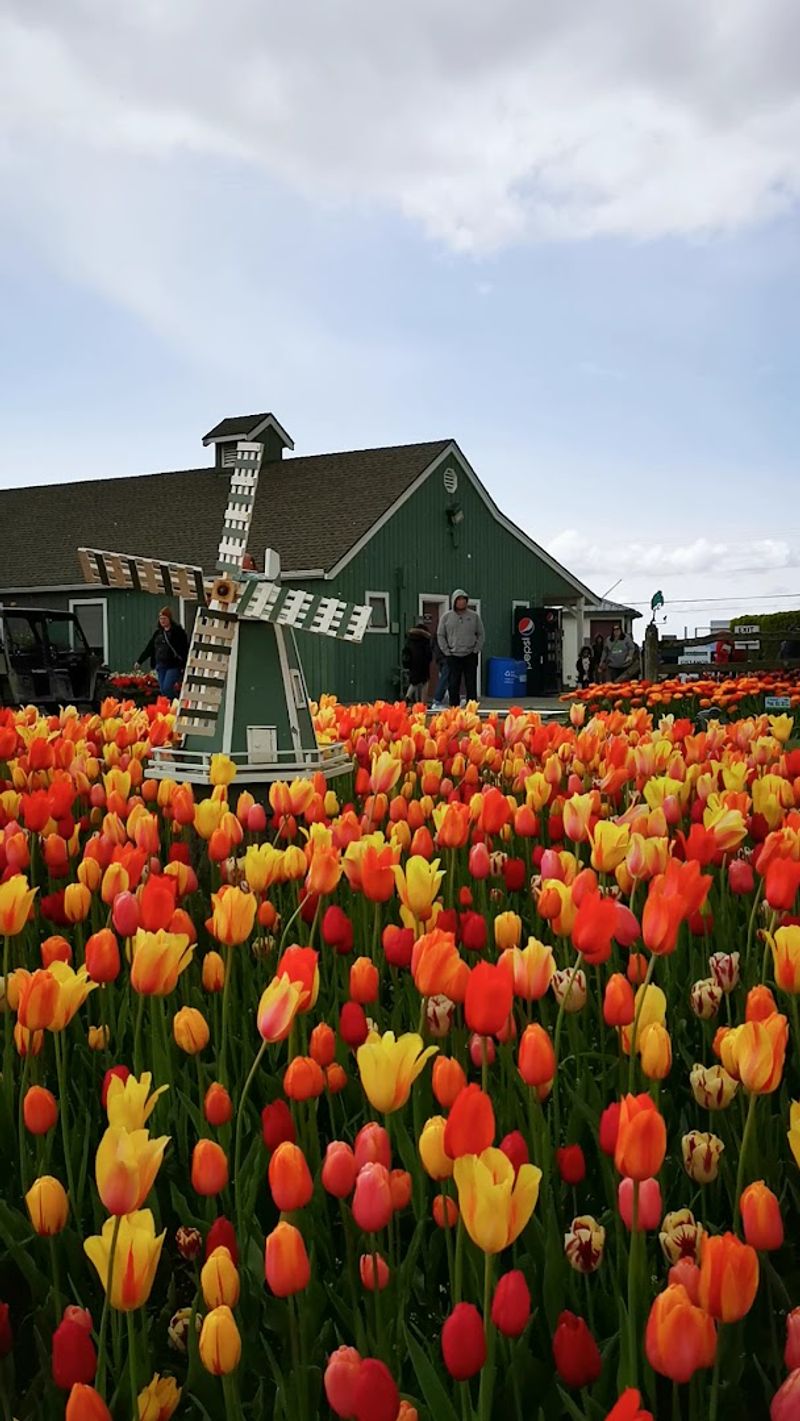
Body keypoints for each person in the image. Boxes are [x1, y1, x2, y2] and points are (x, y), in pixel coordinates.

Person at [437, 589, 485, 706]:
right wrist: (446, 651)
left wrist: (476, 650)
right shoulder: (446, 617)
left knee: (471, 684)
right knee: (453, 684)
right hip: (453, 655)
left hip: (470, 655)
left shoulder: (474, 616)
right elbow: (440, 635)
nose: (462, 602)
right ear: (454, 601)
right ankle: (454, 709)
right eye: (459, 600)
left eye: (464, 599)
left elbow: (481, 634)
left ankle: (472, 709)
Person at [137, 606, 189, 697]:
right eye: (161, 619)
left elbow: (184, 648)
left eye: (164, 618)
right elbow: (150, 648)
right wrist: (140, 661)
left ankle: (175, 702)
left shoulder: (177, 632)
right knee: (163, 690)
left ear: (169, 619)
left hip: (173, 665)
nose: (162, 621)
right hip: (160, 665)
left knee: (167, 687)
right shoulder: (158, 633)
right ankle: (170, 706)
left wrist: (184, 663)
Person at [402, 621, 432, 703]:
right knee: (425, 682)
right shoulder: (425, 640)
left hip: (413, 664)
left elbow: (406, 652)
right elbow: (428, 654)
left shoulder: (410, 639)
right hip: (423, 664)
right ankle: (423, 703)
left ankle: (407, 697)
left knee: (414, 682)